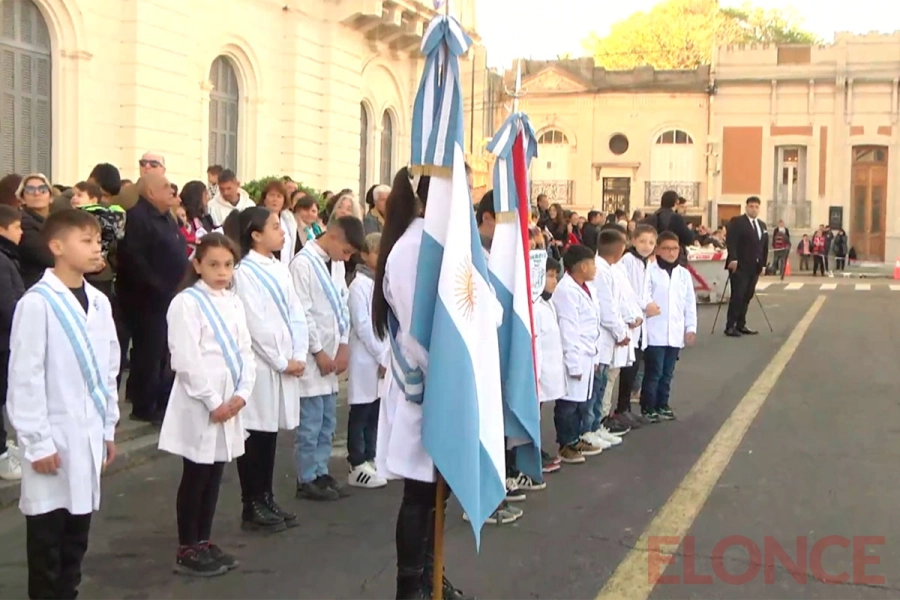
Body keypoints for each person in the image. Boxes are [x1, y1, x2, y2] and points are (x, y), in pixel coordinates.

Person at [371, 168, 473, 599]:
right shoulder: (414, 248)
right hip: (424, 387)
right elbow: (418, 332)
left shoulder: (442, 245)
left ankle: (433, 574)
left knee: (437, 492)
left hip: (445, 384)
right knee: (420, 492)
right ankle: (410, 586)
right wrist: (448, 379)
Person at [7, 209, 120, 599]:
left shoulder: (100, 303)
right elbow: (25, 378)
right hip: (53, 436)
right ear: (57, 247)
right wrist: (36, 442)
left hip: (87, 435)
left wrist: (107, 429)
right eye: (85, 241)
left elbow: (109, 370)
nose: (95, 249)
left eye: (97, 241)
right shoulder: (37, 303)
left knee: (77, 535)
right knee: (47, 540)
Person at [158, 233, 255, 577]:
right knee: (196, 472)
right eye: (213, 264)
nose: (221, 271)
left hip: (230, 399)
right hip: (201, 400)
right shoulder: (186, 303)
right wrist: (214, 401)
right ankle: (188, 545)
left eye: (228, 265)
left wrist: (243, 392)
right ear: (197, 265)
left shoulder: (233, 302)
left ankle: (204, 540)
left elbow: (246, 351)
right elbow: (186, 358)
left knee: (215, 472)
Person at [228, 207, 308, 533]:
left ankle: (267, 496)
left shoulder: (279, 268)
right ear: (255, 234)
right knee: (256, 432)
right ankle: (252, 502)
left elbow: (296, 311)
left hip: (285, 361)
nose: (283, 232)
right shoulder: (245, 272)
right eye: (275, 227)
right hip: (261, 364)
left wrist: (299, 352)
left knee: (270, 432)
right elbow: (254, 322)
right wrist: (280, 359)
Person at [289, 215, 364, 501]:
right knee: (310, 422)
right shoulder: (303, 264)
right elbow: (303, 313)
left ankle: (320, 470)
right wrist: (318, 350)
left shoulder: (335, 264)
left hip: (332, 355)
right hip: (312, 358)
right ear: (332, 236)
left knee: (327, 422)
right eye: (345, 250)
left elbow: (342, 307)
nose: (345, 257)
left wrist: (343, 345)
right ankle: (306, 475)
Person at [117, 173, 188, 423]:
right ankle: (145, 405)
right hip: (148, 299)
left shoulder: (166, 217)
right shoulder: (138, 217)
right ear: (150, 193)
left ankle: (158, 400)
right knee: (150, 351)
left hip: (169, 295)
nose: (172, 190)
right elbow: (134, 258)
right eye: (166, 186)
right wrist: (159, 287)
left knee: (161, 352)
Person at [552, 244, 603, 464]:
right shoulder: (566, 291)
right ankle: (566, 444)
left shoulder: (585, 287)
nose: (595, 269)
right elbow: (569, 329)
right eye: (592, 264)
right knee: (568, 404)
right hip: (574, 354)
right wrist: (574, 364)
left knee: (581, 402)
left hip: (587, 353)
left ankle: (576, 438)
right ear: (582, 266)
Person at [346, 232, 389, 489]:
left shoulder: (380, 283)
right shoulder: (358, 286)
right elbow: (363, 325)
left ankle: (372, 456)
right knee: (361, 410)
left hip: (381, 355)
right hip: (366, 356)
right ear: (365, 254)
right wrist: (381, 355)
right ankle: (357, 461)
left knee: (375, 410)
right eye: (376, 251)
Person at [641, 231, 697, 421]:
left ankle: (662, 403)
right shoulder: (650, 271)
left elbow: (689, 302)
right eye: (666, 248)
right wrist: (647, 305)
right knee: (654, 372)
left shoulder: (683, 274)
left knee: (667, 372)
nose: (671, 252)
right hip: (654, 330)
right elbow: (644, 295)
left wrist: (690, 328)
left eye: (675, 248)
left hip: (675, 330)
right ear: (657, 250)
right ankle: (648, 406)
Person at [585, 229, 630, 451]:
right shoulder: (601, 270)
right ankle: (589, 430)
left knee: (600, 386)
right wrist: (621, 332)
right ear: (620, 248)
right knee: (596, 388)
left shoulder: (609, 269)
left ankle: (596, 426)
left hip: (607, 340)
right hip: (602, 338)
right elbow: (607, 307)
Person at [613, 224, 660, 427]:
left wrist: (650, 303)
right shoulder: (628, 261)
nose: (647, 245)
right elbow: (628, 292)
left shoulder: (646, 262)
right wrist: (644, 305)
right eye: (642, 241)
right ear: (633, 241)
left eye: (651, 242)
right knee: (627, 367)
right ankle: (620, 409)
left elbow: (645, 289)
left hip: (641, 319)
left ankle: (626, 408)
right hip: (631, 319)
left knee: (634, 366)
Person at [533, 256, 564, 475]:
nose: (554, 280)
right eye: (549, 276)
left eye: (555, 276)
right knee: (530, 415)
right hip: (537, 373)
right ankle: (528, 456)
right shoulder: (533, 306)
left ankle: (536, 450)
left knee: (538, 413)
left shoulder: (547, 302)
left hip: (549, 368)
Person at [0, 205, 24, 480]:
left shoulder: (8, 257)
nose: (21, 233)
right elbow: (8, 304)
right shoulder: (3, 259)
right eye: (17, 227)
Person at [724, 196, 767, 337]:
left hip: (754, 266)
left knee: (748, 295)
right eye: (751, 206)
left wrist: (763, 264)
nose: (754, 209)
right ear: (746, 207)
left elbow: (764, 246)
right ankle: (730, 325)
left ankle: (741, 324)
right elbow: (732, 241)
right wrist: (733, 258)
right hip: (740, 266)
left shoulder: (762, 225)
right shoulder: (738, 222)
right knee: (738, 295)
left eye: (756, 207)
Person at [15, 174, 56, 289]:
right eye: (30, 190)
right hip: (34, 284)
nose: (37, 193)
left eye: (42, 189)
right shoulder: (21, 222)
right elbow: (47, 257)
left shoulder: (55, 221)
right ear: (22, 198)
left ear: (51, 197)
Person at [643, 190, 693, 265]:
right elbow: (689, 239)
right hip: (673, 257)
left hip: (654, 256)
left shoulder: (652, 217)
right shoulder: (676, 218)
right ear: (676, 203)